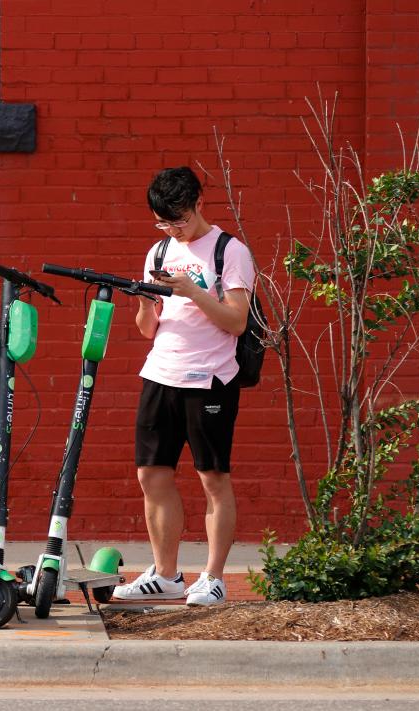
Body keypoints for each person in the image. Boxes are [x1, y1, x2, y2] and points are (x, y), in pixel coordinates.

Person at [113, 166, 254, 606]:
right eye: (164, 222)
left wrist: (193, 291)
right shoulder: (157, 252)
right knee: (151, 474)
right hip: (160, 374)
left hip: (210, 378)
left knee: (212, 477)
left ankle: (212, 577)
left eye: (180, 219)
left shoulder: (229, 251)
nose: (174, 229)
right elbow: (147, 330)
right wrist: (144, 301)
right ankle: (167, 574)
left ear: (199, 204)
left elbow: (236, 321)